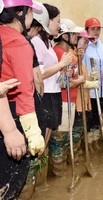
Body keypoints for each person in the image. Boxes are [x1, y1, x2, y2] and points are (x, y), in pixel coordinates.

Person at [0, 0, 45, 198]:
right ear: (19, 12)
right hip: (12, 112)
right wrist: (32, 130)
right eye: (29, 12)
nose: (31, 18)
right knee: (10, 183)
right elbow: (25, 90)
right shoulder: (18, 42)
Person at [31, 3, 72, 176]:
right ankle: (36, 174)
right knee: (42, 136)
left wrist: (65, 72)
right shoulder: (35, 42)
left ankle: (41, 176)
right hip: (44, 94)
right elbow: (38, 74)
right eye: (57, 21)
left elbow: (53, 71)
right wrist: (62, 64)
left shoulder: (47, 42)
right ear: (46, 20)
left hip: (54, 92)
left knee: (47, 135)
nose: (59, 25)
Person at [52, 18, 86, 174]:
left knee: (66, 139)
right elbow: (64, 83)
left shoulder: (67, 53)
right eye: (75, 35)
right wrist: (80, 80)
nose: (77, 37)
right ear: (65, 36)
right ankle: (59, 174)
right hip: (63, 101)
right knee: (61, 140)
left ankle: (63, 174)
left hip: (70, 100)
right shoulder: (59, 54)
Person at [72, 30, 99, 161]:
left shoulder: (80, 60)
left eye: (88, 43)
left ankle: (76, 159)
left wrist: (91, 79)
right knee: (75, 134)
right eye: (84, 42)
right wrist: (91, 84)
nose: (86, 45)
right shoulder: (72, 57)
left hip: (83, 102)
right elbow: (76, 81)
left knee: (79, 133)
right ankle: (72, 160)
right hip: (76, 102)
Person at [82, 17, 103, 153]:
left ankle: (96, 140)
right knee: (90, 118)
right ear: (87, 30)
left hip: (101, 88)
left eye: (98, 29)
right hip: (90, 88)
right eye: (93, 29)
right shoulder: (85, 45)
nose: (96, 32)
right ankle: (88, 143)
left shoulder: (101, 45)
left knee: (99, 117)